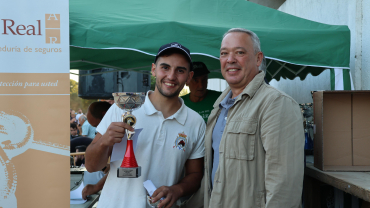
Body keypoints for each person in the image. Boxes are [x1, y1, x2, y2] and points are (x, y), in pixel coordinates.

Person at [85, 42, 206, 208]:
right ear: (153, 69)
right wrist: (104, 141)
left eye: (180, 70)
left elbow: (195, 173)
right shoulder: (121, 107)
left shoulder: (196, 122)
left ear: (189, 77)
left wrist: (177, 190)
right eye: (165, 67)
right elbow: (91, 166)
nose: (171, 76)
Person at [203, 28, 304, 208]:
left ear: (258, 58)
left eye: (240, 52)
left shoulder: (276, 103)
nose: (230, 59)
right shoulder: (219, 107)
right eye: (224, 53)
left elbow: (284, 188)